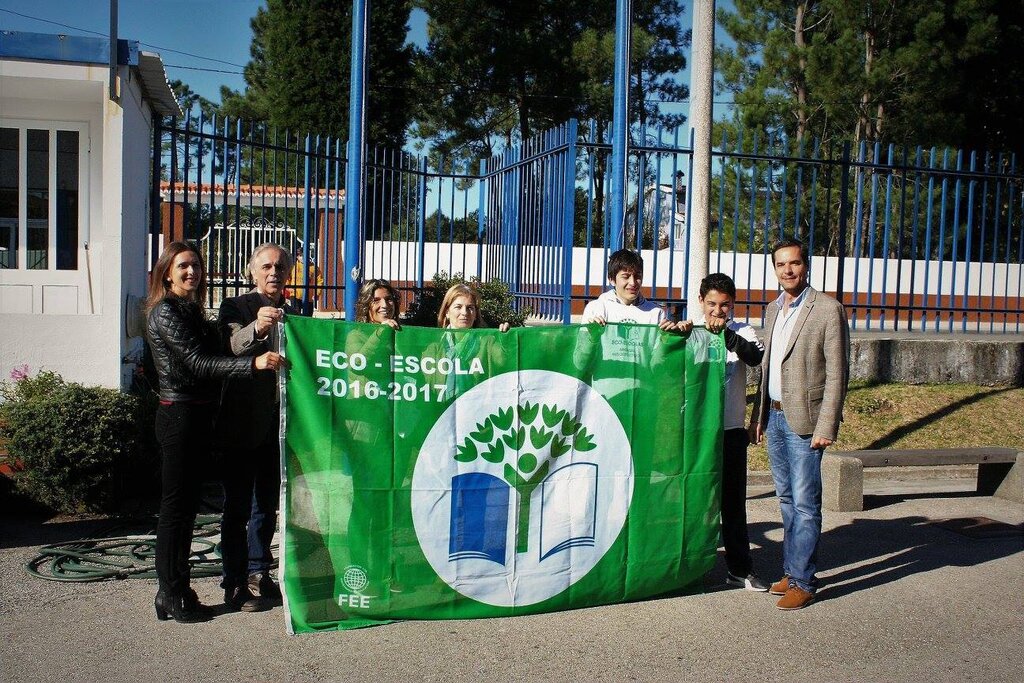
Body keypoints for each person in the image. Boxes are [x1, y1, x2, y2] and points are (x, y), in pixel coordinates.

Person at [145, 241, 282, 623]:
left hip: (199, 416)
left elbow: (216, 348)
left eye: (197, 266)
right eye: (184, 266)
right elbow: (200, 363)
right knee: (175, 511)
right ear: (167, 272)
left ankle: (174, 590)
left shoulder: (189, 310)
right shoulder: (166, 312)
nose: (192, 273)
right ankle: (172, 591)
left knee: (185, 509)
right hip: (179, 415)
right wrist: (252, 365)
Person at [749, 238, 850, 610]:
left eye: (794, 263)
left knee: (806, 504)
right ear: (774, 269)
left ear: (805, 266)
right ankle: (791, 573)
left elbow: (838, 373)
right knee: (787, 500)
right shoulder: (774, 309)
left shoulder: (826, 309)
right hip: (774, 416)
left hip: (805, 421)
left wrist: (827, 425)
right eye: (780, 265)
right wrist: (758, 416)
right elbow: (768, 368)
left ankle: (805, 582)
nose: (787, 270)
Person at [216, 243, 293, 612]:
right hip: (242, 423)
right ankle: (234, 578)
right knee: (237, 508)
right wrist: (257, 330)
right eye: (266, 266)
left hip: (279, 425)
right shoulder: (236, 306)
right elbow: (229, 346)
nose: (273, 272)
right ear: (252, 271)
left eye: (280, 266)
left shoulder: (298, 312)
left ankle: (261, 571)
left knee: (267, 504)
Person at [679, 273, 767, 592]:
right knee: (691, 501)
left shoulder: (742, 330)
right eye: (712, 304)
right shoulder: (687, 331)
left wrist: (729, 338)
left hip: (730, 432)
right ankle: (684, 569)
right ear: (701, 302)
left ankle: (740, 570)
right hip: (695, 431)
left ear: (733, 305)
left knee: (732, 504)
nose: (718, 311)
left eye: (725, 305)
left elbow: (756, 357)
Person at [581, 248, 673, 330]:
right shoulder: (596, 309)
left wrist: (672, 336)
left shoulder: (656, 312)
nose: (632, 283)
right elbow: (583, 347)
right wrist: (592, 336)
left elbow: (661, 348)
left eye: (637, 276)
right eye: (625, 277)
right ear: (611, 280)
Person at [437, 283, 510, 332]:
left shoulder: (487, 343)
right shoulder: (435, 344)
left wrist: (505, 338)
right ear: (447, 312)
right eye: (458, 307)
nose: (464, 313)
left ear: (476, 314)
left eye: (470, 308)